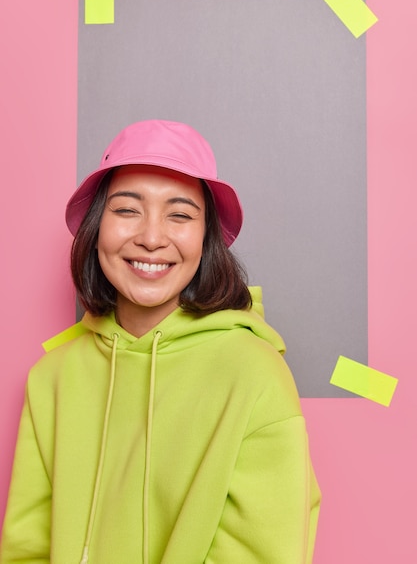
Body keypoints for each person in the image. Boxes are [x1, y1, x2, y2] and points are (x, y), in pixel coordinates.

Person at [0, 119, 321, 564]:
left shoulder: (253, 371)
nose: (151, 238)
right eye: (127, 210)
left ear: (207, 240)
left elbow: (265, 552)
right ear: (96, 229)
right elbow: (27, 550)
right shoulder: (51, 378)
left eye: (180, 214)